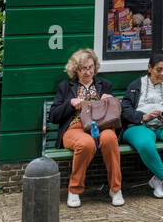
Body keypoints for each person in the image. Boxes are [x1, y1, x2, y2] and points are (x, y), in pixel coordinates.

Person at [50, 49, 123, 208]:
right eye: (83, 68)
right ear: (75, 69)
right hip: (74, 128)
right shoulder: (65, 87)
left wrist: (110, 100)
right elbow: (53, 116)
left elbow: (116, 113)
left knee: (110, 139)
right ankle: (74, 190)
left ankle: (115, 189)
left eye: (91, 67)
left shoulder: (104, 85)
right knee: (86, 144)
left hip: (101, 126)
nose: (88, 72)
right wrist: (70, 104)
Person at [120, 55, 163, 197]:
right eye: (159, 70)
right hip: (139, 126)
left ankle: (157, 180)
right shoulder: (135, 86)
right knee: (145, 144)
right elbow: (125, 109)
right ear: (149, 68)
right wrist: (142, 117)